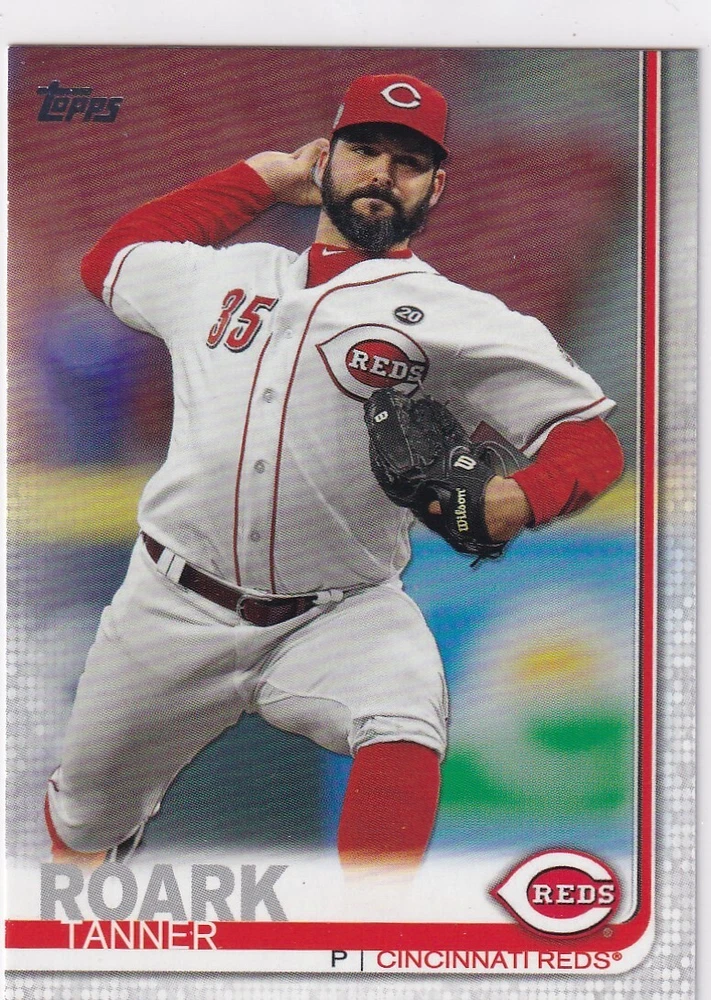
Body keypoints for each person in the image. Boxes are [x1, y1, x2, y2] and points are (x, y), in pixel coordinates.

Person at [45, 73, 624, 872]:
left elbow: (588, 442)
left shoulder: (461, 318)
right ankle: (74, 933)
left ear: (436, 187)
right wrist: (256, 178)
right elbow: (110, 261)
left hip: (339, 610)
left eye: (408, 162)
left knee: (404, 717)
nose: (382, 173)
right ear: (325, 160)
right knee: (83, 819)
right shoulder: (225, 274)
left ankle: (367, 931)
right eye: (364, 151)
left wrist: (518, 498)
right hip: (169, 600)